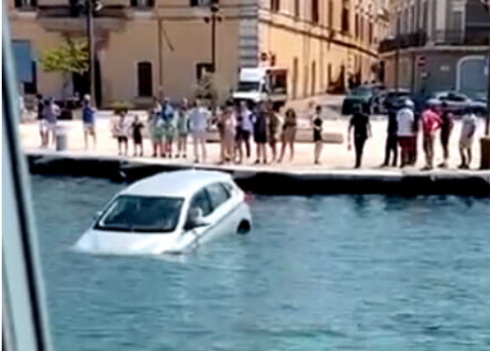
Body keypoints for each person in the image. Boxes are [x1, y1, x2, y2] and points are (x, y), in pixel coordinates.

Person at [420, 103, 441, 170]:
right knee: (431, 148)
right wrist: (435, 129)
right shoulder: (434, 114)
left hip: (427, 133)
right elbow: (440, 122)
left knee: (425, 148)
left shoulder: (425, 114)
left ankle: (428, 163)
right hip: (433, 132)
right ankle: (431, 163)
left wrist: (427, 130)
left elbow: (425, 121)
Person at [396, 99, 415, 167]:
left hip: (400, 133)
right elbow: (411, 122)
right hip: (408, 133)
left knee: (403, 148)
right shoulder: (410, 113)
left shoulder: (399, 112)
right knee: (408, 148)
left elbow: (397, 121)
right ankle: (407, 160)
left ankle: (402, 161)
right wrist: (413, 131)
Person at [438, 102, 454, 168]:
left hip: (445, 132)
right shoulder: (444, 114)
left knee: (445, 146)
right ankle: (444, 160)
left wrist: (449, 132)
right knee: (443, 146)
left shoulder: (447, 115)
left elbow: (451, 124)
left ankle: (446, 162)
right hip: (443, 131)